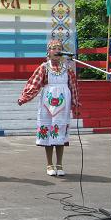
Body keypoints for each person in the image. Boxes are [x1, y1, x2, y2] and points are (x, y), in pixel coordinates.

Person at [18, 39, 79, 176]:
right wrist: (24, 98)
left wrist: (75, 103)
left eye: (59, 48)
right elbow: (34, 84)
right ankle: (49, 164)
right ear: (48, 52)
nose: (57, 50)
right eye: (54, 48)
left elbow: (73, 86)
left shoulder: (67, 68)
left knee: (60, 133)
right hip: (47, 104)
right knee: (48, 132)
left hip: (63, 104)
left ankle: (60, 163)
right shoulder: (44, 68)